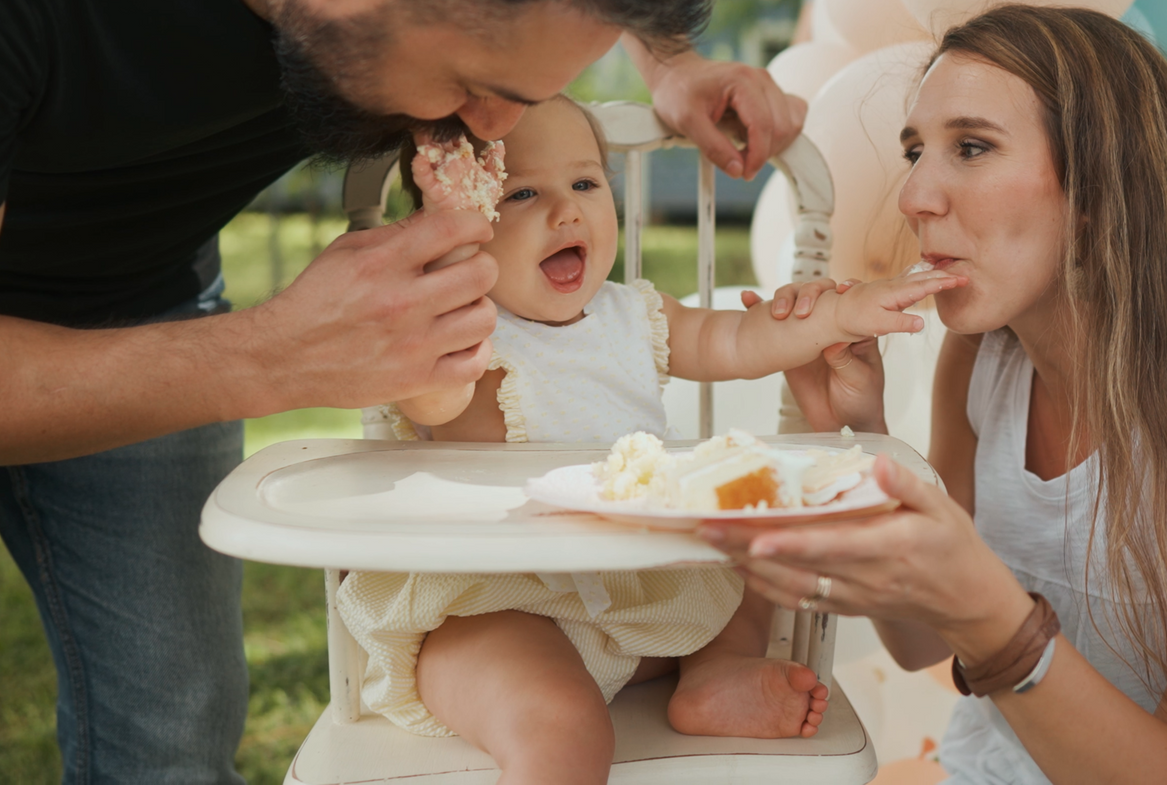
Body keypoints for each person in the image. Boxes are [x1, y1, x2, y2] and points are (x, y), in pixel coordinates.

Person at [0, 0, 803, 781]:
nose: (496, 132)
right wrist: (270, 354)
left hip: (132, 276)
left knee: (168, 742)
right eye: (481, 89)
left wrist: (667, 60)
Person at [709, 5, 1167, 785]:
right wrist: (859, 439)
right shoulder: (981, 362)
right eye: (916, 152)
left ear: (1100, 188)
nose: (915, 195)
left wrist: (999, 625)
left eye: (971, 148)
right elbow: (920, 644)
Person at [335, 96, 962, 782]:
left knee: (753, 559)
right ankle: (557, 736)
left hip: (651, 599)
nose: (566, 211)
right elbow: (436, 397)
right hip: (498, 613)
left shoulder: (632, 315)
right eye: (519, 193)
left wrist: (837, 311)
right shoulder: (453, 338)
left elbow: (736, 337)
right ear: (453, 224)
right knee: (562, 725)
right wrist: (452, 260)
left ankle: (714, 674)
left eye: (585, 183)